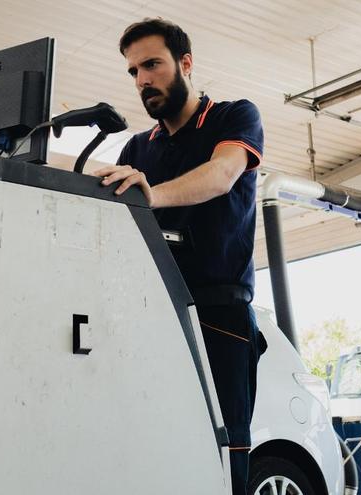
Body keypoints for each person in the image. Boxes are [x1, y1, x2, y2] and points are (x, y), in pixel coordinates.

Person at [95, 18, 265, 494]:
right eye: (133, 71)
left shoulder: (235, 117)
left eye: (152, 64)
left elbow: (221, 176)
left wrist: (151, 195)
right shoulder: (136, 148)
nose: (142, 79)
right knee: (158, 447)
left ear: (185, 63)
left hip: (218, 313)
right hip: (153, 316)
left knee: (224, 458)